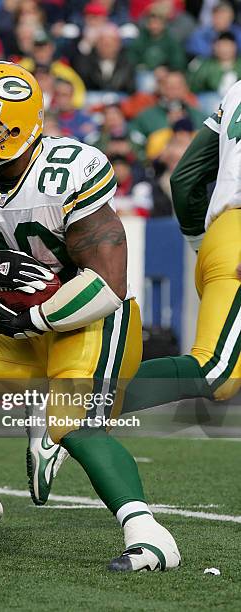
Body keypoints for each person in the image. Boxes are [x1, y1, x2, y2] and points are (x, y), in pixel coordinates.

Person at [0, 61, 180, 571]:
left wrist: (37, 318)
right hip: (22, 323)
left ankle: (150, 534)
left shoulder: (66, 172)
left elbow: (109, 286)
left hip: (91, 321)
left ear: (15, 130)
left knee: (71, 423)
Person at [121, 79, 241, 411]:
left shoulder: (236, 89)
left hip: (221, 234)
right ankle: (76, 409)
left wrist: (205, 248)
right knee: (216, 371)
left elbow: (185, 177)